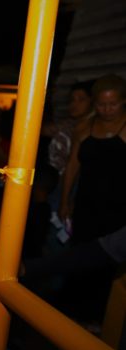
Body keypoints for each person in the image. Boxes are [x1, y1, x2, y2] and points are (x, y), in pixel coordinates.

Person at [59, 73, 126, 243]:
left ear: (123, 101)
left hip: (120, 206)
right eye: (101, 104)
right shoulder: (84, 128)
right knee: (82, 257)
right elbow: (72, 166)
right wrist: (65, 201)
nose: (107, 109)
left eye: (113, 104)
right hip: (87, 204)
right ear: (94, 103)